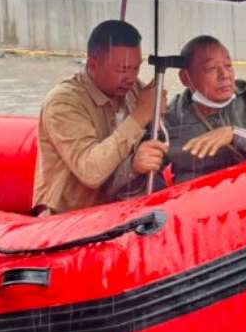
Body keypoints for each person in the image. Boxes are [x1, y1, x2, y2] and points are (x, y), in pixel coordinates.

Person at [32, 20, 168, 216]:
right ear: (93, 64)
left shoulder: (133, 90)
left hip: (119, 207)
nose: (130, 78)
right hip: (67, 218)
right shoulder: (63, 102)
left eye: (135, 68)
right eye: (122, 70)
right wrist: (140, 116)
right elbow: (91, 171)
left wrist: (158, 116)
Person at [159, 35, 246, 184]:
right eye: (211, 69)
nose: (225, 75)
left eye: (228, 65)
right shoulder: (170, 117)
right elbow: (148, 174)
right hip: (198, 201)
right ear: (185, 77)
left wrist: (237, 135)